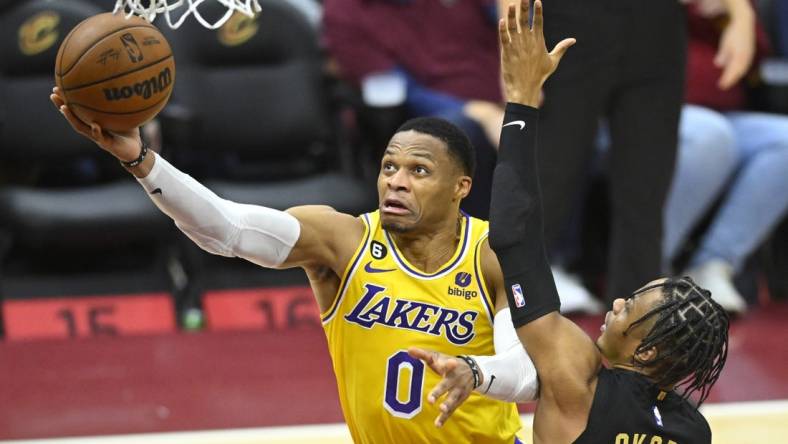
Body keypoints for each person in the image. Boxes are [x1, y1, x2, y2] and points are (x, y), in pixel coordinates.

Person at [49, 45, 541, 444]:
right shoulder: (343, 240)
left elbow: (527, 373)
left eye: (419, 171)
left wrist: (474, 373)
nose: (396, 182)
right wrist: (141, 161)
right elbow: (228, 229)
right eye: (389, 167)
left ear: (462, 187)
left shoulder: (491, 255)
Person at [411, 2, 730, 442]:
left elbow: (516, 235)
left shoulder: (572, 381)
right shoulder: (694, 429)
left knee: (634, 204)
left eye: (628, 307)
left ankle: (483, 359)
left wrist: (520, 100)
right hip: (577, 19)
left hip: (654, 25)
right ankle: (486, 337)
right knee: (558, 183)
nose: (616, 303)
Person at [534, 0, 755, 305]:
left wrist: (740, 13)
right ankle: (505, 316)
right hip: (569, 17)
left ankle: (637, 330)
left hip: (658, 23)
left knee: (646, 194)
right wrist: (514, 28)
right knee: (546, 178)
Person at [323, 0, 504, 220]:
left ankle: (550, 249)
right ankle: (480, 243)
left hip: (509, 94)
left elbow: (514, 20)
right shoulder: (345, 11)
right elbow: (395, 88)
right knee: (458, 135)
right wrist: (479, 112)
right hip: (430, 116)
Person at [662, 2, 788, 314]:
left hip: (722, 112)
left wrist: (731, 15)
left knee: (783, 141)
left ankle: (713, 263)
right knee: (711, 136)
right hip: (647, 115)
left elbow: (756, 57)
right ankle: (650, 267)